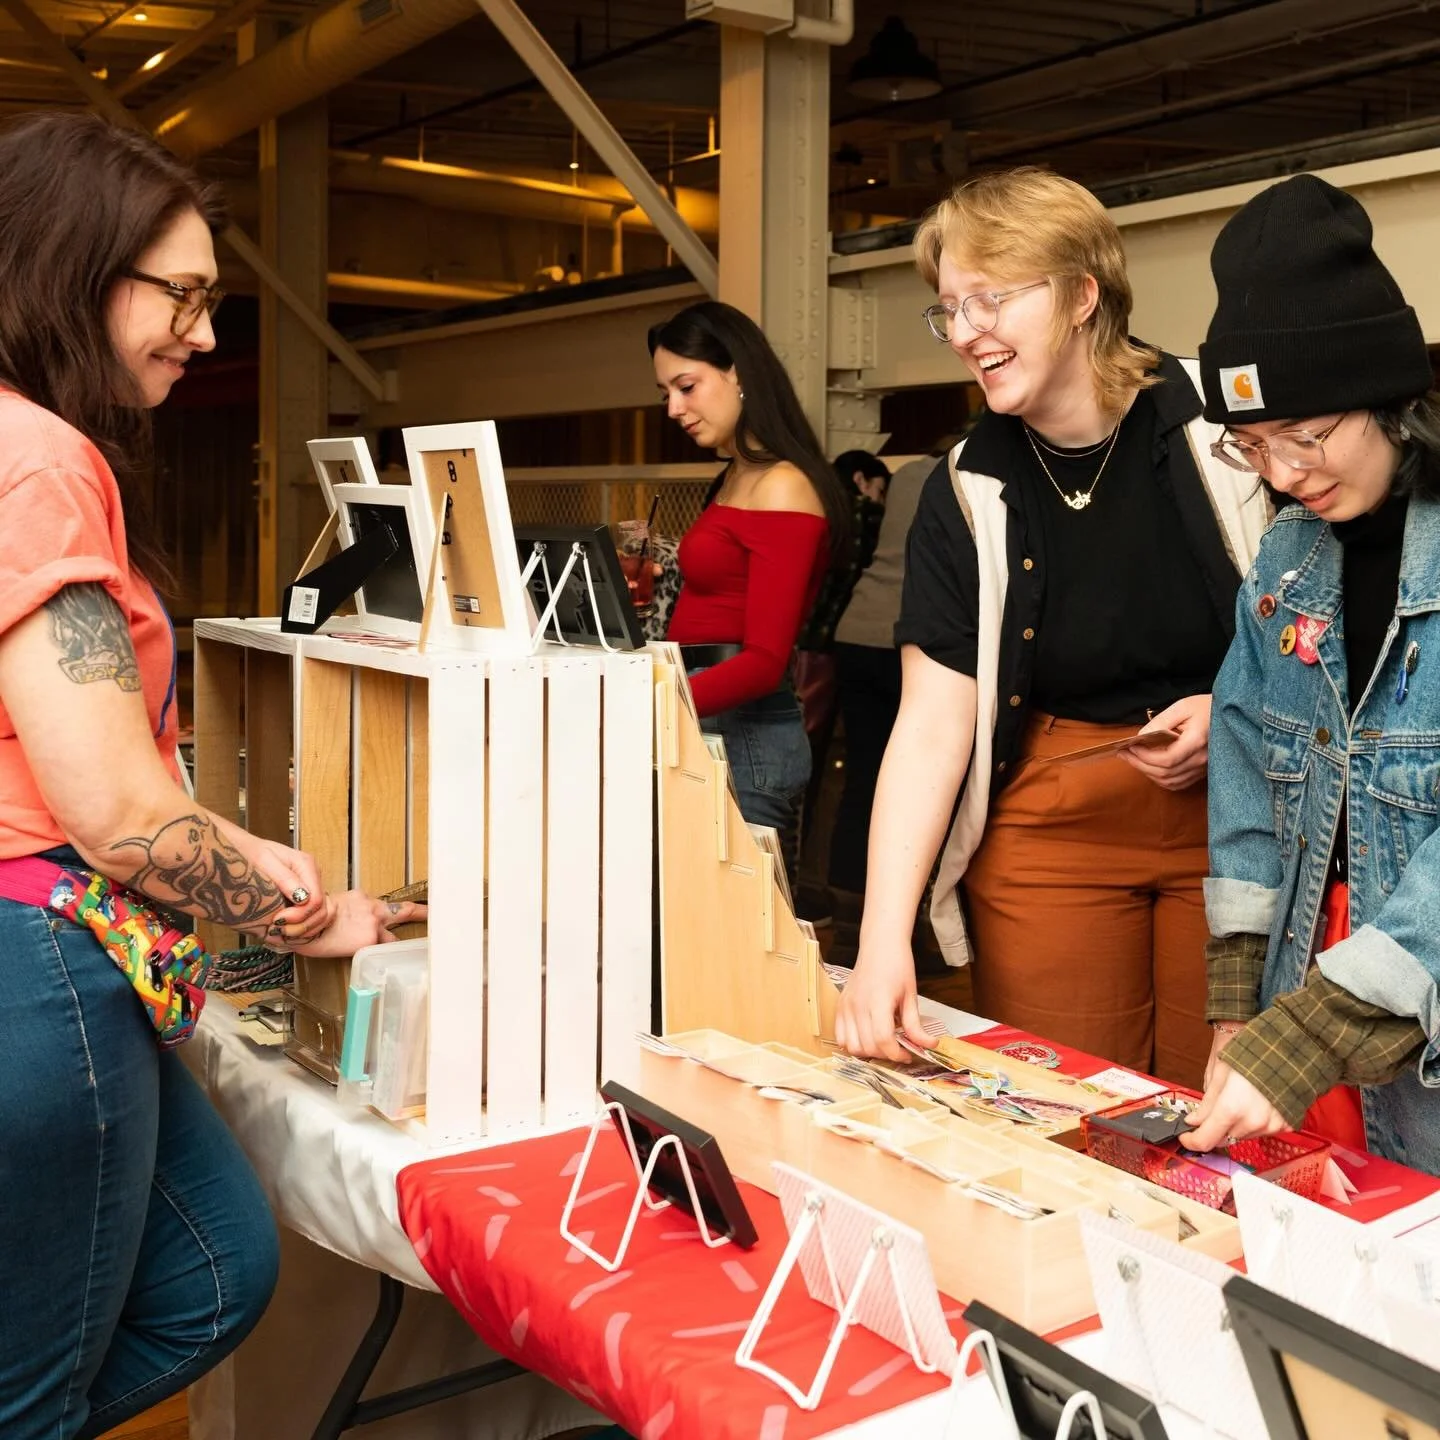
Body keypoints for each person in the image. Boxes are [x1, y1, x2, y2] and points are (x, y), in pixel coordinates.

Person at [0, 113, 423, 1438]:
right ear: (73, 268)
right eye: (179, 295)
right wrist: (305, 904)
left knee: (213, 1267)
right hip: (43, 963)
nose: (201, 332)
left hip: (57, 961)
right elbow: (120, 813)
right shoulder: (39, 462)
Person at [835, 167, 1270, 1088]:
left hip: (1241, 816)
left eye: (990, 299)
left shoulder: (1217, 422)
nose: (965, 332)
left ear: (1082, 294)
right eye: (948, 308)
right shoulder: (962, 486)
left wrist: (1230, 703)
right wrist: (882, 940)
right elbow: (930, 724)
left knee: (1225, 1111)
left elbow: (1319, 624)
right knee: (1066, 1103)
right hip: (1053, 824)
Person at [1179, 174, 1440, 1175]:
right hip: (1313, 989)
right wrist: (1240, 1007)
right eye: (1252, 446)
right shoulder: (1287, 563)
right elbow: (1247, 784)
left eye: (1306, 434)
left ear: (1390, 399)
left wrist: (1303, 1035)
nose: (1284, 474)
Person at [650, 301, 850, 885]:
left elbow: (763, 661)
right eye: (666, 391)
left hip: (746, 738)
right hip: (711, 721)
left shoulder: (783, 484)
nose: (673, 408)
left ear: (737, 370)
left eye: (686, 386)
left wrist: (656, 701)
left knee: (735, 947)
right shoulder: (738, 474)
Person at [822, 451, 934, 962]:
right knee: (920, 781)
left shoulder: (910, 473)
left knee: (863, 778)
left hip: (857, 629)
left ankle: (848, 925)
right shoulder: (965, 469)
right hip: (911, 635)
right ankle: (914, 932)